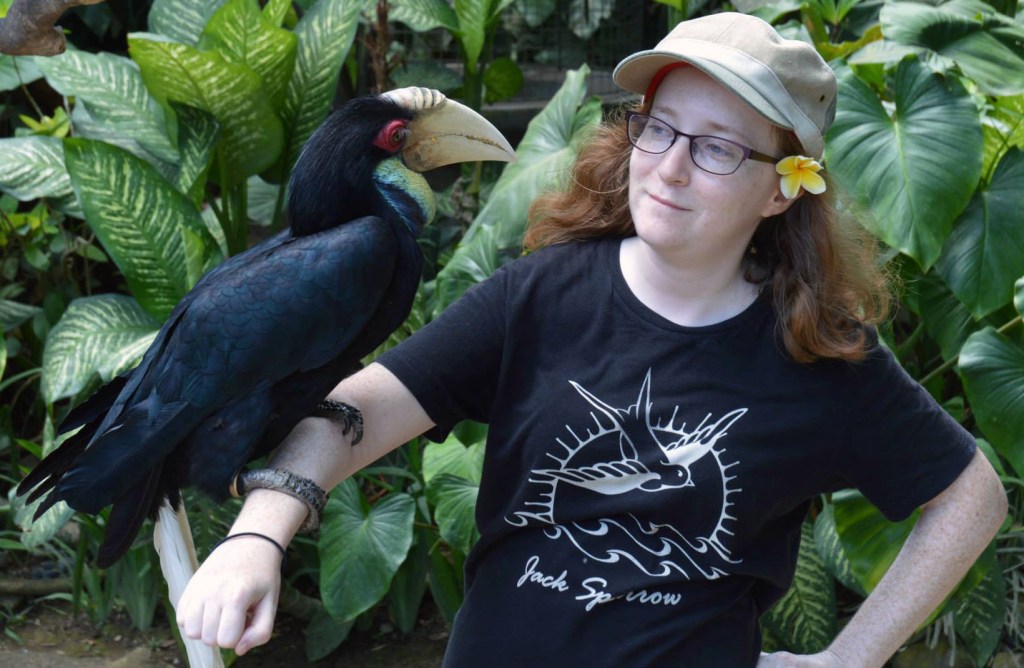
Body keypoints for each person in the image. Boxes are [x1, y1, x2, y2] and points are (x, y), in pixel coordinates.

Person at [176, 12, 1007, 667]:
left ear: (781, 191)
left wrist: (850, 658)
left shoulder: (816, 349)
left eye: (717, 148)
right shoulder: (540, 295)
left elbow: (972, 496)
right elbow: (354, 412)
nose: (670, 167)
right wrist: (258, 535)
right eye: (660, 128)